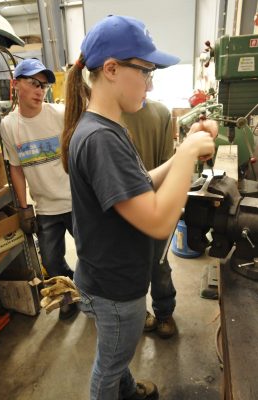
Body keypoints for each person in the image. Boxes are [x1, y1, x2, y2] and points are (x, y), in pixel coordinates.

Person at [61, 15, 217, 400]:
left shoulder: (108, 127)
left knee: (118, 352)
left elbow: (139, 184)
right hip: (115, 288)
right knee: (110, 362)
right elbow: (159, 220)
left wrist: (181, 152)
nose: (150, 82)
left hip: (109, 277)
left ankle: (126, 390)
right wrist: (190, 155)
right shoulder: (100, 138)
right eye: (145, 71)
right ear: (111, 69)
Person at [0, 58, 78, 320]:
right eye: (33, 83)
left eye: (43, 86)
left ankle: (94, 293)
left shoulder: (58, 115)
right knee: (52, 261)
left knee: (92, 253)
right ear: (15, 84)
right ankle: (68, 294)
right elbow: (16, 169)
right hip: (45, 208)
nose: (39, 91)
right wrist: (24, 208)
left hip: (75, 201)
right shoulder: (9, 126)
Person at [122, 99, 177, 338]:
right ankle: (140, 313)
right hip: (125, 207)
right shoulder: (111, 117)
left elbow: (167, 161)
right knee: (132, 265)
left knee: (160, 264)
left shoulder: (161, 112)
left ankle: (164, 312)